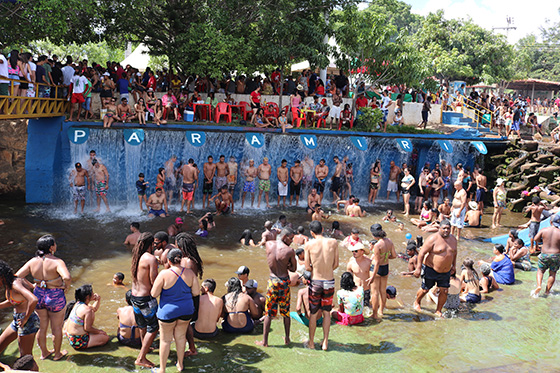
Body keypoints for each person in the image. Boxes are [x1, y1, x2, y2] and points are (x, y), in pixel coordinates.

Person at [15, 235, 71, 360]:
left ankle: (44, 353)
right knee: (56, 327)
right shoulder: (57, 262)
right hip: (55, 295)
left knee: (42, 326)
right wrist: (65, 286)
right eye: (55, 244)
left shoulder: (32, 261)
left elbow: (17, 276)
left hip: (39, 294)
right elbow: (67, 277)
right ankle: (57, 354)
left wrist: (32, 285)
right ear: (51, 247)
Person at [151, 248, 199, 373]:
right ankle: (180, 364)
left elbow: (154, 293)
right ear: (181, 259)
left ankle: (162, 369)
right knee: (181, 337)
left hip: (167, 312)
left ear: (169, 260)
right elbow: (195, 292)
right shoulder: (190, 273)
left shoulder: (164, 274)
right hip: (186, 310)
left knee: (165, 339)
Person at [256, 228, 296, 347]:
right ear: (284, 237)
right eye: (291, 238)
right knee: (285, 312)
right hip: (283, 282)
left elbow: (272, 259)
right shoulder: (290, 251)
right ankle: (287, 338)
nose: (292, 241)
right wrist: (287, 264)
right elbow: (293, 269)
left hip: (272, 282)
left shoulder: (269, 244)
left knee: (269, 312)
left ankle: (265, 341)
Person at [304, 221, 339, 350]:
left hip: (316, 282)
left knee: (313, 313)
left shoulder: (308, 244)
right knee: (327, 313)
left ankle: (311, 342)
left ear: (312, 233)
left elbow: (307, 267)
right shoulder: (334, 242)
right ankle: (325, 342)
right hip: (329, 281)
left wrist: (316, 270)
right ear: (323, 229)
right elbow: (336, 264)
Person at [413, 220, 457, 317]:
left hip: (446, 271)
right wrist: (418, 268)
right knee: (425, 289)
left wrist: (454, 265)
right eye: (444, 228)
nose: (446, 230)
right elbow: (421, 253)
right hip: (431, 269)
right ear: (439, 228)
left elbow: (454, 252)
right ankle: (417, 302)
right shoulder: (432, 239)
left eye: (448, 228)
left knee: (444, 291)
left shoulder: (453, 239)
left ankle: (438, 310)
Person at [130, 233, 159, 368]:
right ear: (151, 244)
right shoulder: (151, 259)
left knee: (142, 325)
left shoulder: (136, 256)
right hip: (145, 299)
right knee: (154, 327)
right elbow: (154, 281)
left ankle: (144, 347)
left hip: (134, 297)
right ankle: (141, 357)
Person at [0, 260, 39, 358]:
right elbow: (15, 301)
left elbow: (33, 299)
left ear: (2, 276)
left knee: (26, 358)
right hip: (17, 319)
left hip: (27, 321)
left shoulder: (15, 285)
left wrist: (25, 319)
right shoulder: (15, 280)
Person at [63, 284, 109, 350]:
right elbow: (87, 328)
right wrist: (100, 331)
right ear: (87, 297)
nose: (94, 294)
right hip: (77, 341)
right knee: (105, 337)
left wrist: (98, 300)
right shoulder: (87, 310)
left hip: (70, 336)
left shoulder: (78, 303)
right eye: (92, 293)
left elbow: (94, 309)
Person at [367, 224, 396, 320]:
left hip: (377, 269)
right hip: (385, 267)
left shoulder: (377, 245)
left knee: (374, 293)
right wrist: (386, 257)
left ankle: (374, 314)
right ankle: (381, 311)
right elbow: (394, 255)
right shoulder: (389, 241)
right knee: (383, 291)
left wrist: (372, 276)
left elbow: (377, 262)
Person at [532, 214, 560, 297]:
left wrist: (543, 240)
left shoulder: (544, 230)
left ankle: (539, 286)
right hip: (556, 255)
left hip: (544, 254)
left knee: (540, 270)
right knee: (552, 273)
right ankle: (547, 291)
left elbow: (536, 238)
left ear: (550, 222)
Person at [346, 242, 372, 307]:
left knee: (366, 308)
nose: (354, 252)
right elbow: (348, 277)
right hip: (355, 290)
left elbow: (374, 276)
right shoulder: (351, 262)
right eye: (353, 251)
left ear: (362, 251)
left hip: (366, 290)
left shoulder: (368, 262)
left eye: (356, 251)